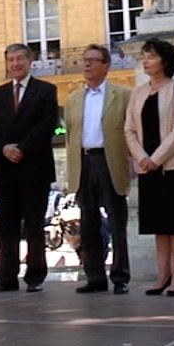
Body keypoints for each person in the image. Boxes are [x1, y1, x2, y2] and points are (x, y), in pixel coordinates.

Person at [0, 44, 59, 293]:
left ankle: (35, 276)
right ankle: (6, 277)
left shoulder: (46, 90)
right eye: (11, 60)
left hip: (35, 168)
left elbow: (47, 126)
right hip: (5, 169)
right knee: (6, 226)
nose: (15, 64)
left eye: (19, 59)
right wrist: (3, 149)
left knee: (34, 225)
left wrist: (22, 149)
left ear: (29, 61)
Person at [125, 38, 174, 296]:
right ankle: (162, 274)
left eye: (151, 56)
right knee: (158, 223)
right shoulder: (138, 92)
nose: (146, 61)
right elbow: (129, 129)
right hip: (146, 166)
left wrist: (157, 158)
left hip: (172, 165)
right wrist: (142, 157)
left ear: (164, 61)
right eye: (144, 56)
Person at [64, 44, 134, 294]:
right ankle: (94, 277)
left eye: (93, 60)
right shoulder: (73, 99)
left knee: (116, 220)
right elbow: (70, 134)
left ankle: (120, 276)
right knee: (88, 220)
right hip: (84, 161)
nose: (87, 65)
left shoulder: (122, 95)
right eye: (85, 60)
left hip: (109, 160)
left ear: (106, 66)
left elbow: (131, 130)